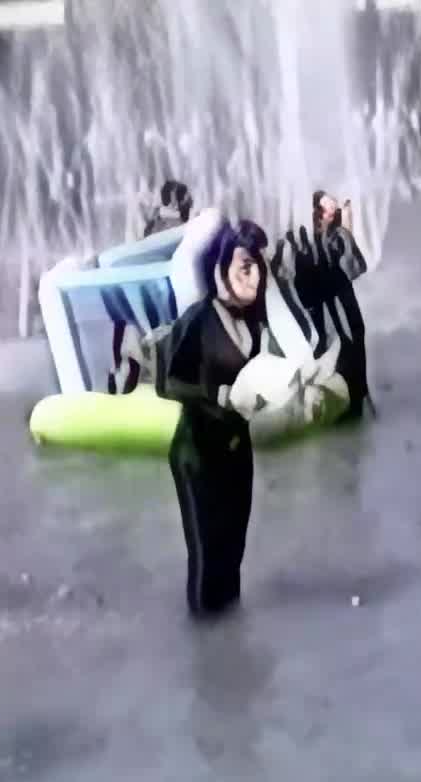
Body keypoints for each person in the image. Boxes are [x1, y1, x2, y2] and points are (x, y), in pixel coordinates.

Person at [151, 219, 274, 617]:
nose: (254, 276)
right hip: (197, 453)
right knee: (207, 557)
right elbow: (166, 382)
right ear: (220, 269)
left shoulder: (256, 318)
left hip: (237, 450)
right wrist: (214, 395)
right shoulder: (198, 320)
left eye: (258, 266)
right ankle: (204, 641)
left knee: (234, 554)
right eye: (244, 266)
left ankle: (235, 642)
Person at [279, 191, 373, 420]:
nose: (324, 217)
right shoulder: (294, 241)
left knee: (351, 347)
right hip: (318, 313)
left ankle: (357, 401)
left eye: (330, 212)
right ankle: (340, 405)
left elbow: (355, 268)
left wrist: (346, 227)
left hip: (342, 306)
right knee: (330, 353)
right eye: (320, 211)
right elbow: (282, 277)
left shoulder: (338, 237)